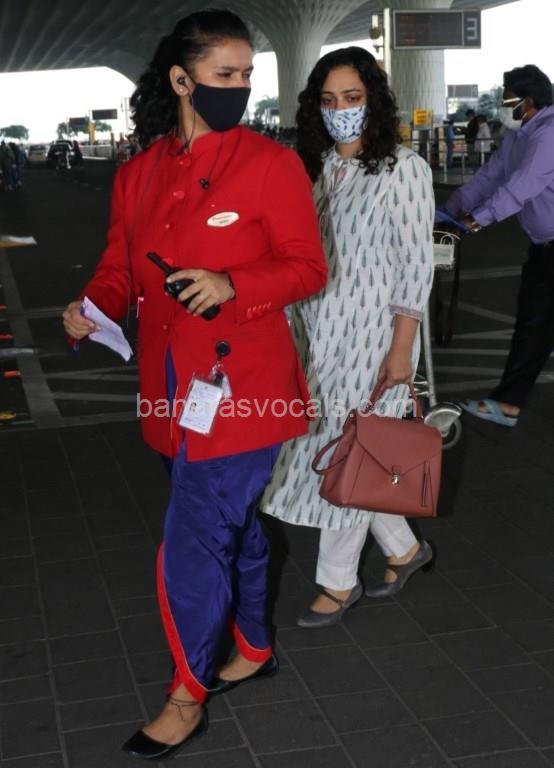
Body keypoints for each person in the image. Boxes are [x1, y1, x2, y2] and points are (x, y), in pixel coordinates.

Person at [62, 9, 327, 760]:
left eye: (246, 75)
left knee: (194, 538)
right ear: (182, 80)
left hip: (245, 388)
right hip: (169, 389)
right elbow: (119, 268)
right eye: (224, 74)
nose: (240, 88)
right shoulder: (138, 173)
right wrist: (92, 305)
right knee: (232, 526)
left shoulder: (271, 164)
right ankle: (254, 642)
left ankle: (186, 693)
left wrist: (232, 284)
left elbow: (308, 267)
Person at [262, 47, 435, 628]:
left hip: (373, 335)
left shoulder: (402, 169)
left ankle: (338, 582)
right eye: (329, 100)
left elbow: (416, 266)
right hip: (314, 332)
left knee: (348, 447)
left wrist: (401, 349)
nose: (341, 111)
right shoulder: (313, 169)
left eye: (353, 98)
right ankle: (404, 550)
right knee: (351, 448)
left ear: (374, 100)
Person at [443, 65, 554, 427]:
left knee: (536, 325)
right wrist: (447, 214)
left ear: (529, 100)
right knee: (531, 326)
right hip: (544, 249)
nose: (505, 106)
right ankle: (507, 404)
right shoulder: (519, 137)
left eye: (509, 99)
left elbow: (521, 187)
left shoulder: (550, 133)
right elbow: (488, 179)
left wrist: (475, 221)